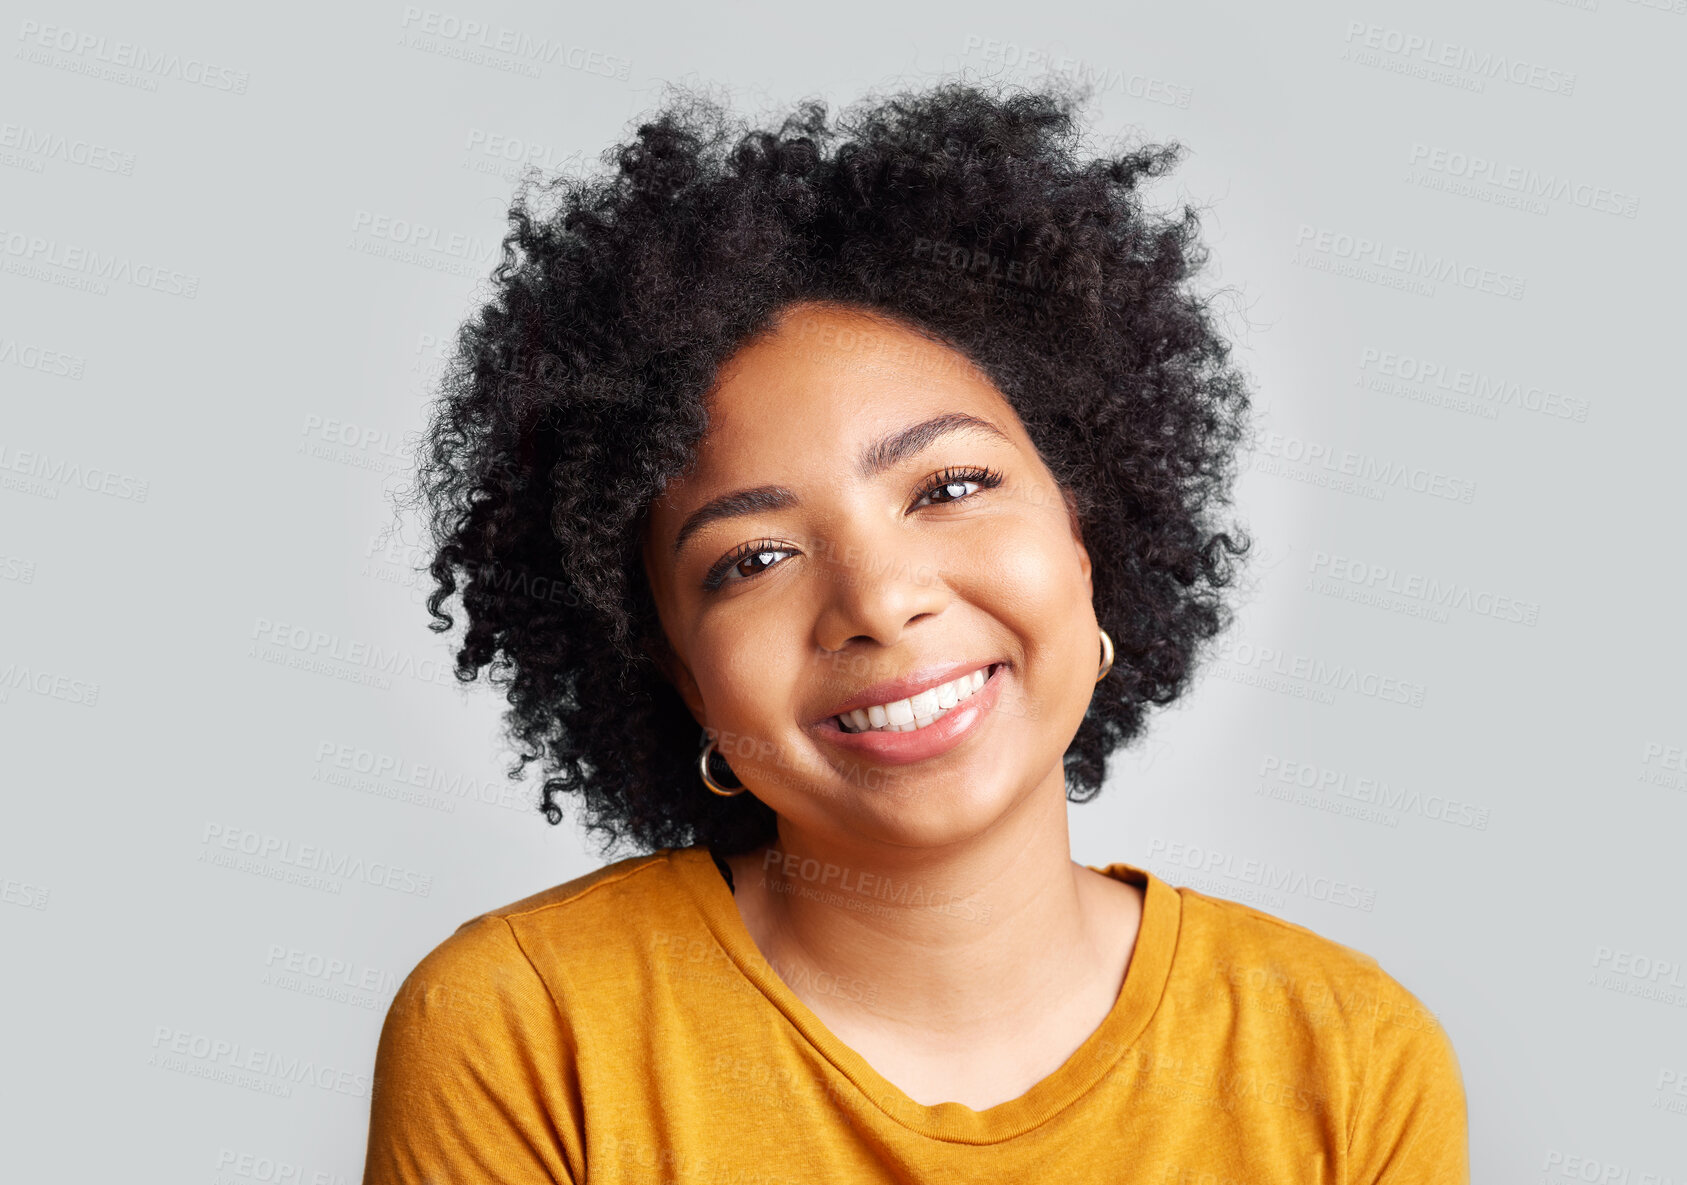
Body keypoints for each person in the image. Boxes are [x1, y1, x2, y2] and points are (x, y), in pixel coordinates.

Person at [364, 79, 1467, 1183]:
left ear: (1083, 534)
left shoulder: (1345, 1058)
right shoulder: (528, 1028)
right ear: (682, 675)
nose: (879, 601)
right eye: (751, 560)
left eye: (948, 487)